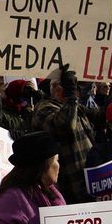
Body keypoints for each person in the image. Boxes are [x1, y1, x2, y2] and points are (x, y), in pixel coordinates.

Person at [32, 64, 101, 204]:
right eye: (69, 85)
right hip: (69, 188)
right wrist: (70, 96)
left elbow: (102, 117)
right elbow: (66, 126)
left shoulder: (74, 107)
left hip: (89, 183)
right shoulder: (44, 108)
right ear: (54, 88)